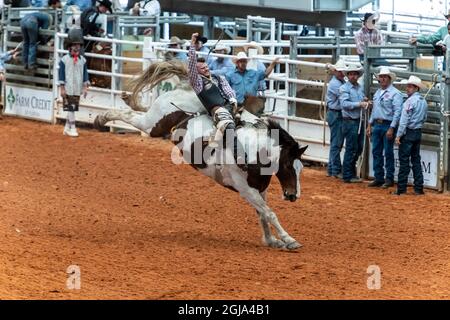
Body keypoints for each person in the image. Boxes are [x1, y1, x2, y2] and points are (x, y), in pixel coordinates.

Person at [188, 33, 246, 168]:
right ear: (197, 72)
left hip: (230, 106)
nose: (206, 68)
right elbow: (191, 65)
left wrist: (233, 100)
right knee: (229, 126)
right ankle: (240, 157)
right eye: (202, 68)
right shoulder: (198, 83)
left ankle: (215, 150)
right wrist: (192, 43)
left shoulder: (218, 77)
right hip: (218, 109)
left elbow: (228, 90)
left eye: (206, 66)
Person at [366, 67, 404, 189]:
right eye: (380, 77)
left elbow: (397, 112)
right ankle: (379, 177)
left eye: (384, 77)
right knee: (376, 152)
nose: (382, 79)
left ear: (389, 79)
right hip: (377, 124)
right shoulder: (377, 93)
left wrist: (392, 128)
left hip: (387, 124)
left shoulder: (395, 93)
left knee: (388, 152)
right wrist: (369, 124)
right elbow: (374, 110)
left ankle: (389, 178)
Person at [393, 76, 428, 196]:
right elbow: (424, 118)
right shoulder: (423, 101)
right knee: (416, 160)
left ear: (416, 88)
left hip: (408, 133)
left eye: (410, 86)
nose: (407, 88)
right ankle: (419, 188)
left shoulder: (409, 102)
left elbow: (404, 121)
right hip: (417, 132)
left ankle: (401, 189)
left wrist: (398, 136)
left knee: (404, 161)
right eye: (408, 86)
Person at [339, 63, 370, 184]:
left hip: (357, 121)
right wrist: (359, 104)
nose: (353, 76)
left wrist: (364, 100)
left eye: (354, 74)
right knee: (352, 148)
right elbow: (344, 104)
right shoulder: (344, 88)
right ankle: (347, 174)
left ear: (357, 75)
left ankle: (349, 172)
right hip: (350, 121)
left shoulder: (359, 87)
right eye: (351, 74)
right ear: (348, 75)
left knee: (357, 148)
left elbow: (356, 101)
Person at [58, 29, 90, 137]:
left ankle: (67, 127)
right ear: (69, 46)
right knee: (71, 108)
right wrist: (62, 88)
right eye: (74, 44)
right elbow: (61, 74)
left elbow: (85, 74)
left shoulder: (83, 60)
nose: (77, 47)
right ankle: (73, 127)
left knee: (72, 108)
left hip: (77, 88)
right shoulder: (64, 60)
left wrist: (85, 87)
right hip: (68, 88)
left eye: (78, 45)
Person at [20, 0, 61, 73]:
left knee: (26, 42)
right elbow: (44, 32)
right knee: (32, 43)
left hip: (23, 20)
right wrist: (44, 41)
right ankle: (31, 64)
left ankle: (25, 63)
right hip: (31, 22)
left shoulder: (41, 13)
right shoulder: (48, 18)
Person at [325, 59, 347, 179]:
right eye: (339, 71)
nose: (341, 73)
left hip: (335, 113)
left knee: (335, 142)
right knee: (336, 143)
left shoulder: (338, 82)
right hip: (336, 114)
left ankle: (332, 169)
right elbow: (344, 96)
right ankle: (335, 170)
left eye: (342, 71)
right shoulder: (336, 84)